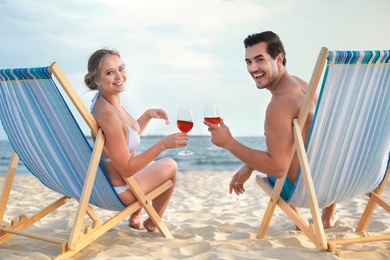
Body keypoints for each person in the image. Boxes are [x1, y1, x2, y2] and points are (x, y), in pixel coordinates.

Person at [203, 31, 338, 229]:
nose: (253, 68)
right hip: (336, 182)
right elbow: (301, 143)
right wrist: (249, 165)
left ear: (279, 59)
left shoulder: (280, 103)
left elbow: (278, 168)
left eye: (260, 60)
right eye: (248, 62)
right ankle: (329, 217)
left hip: (309, 190)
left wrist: (229, 143)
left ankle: (302, 223)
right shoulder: (304, 87)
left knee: (271, 176)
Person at [85, 48, 188, 233]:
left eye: (120, 68)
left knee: (154, 164)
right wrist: (162, 144)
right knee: (170, 165)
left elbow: (125, 137)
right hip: (122, 192)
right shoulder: (108, 115)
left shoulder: (107, 102)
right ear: (96, 80)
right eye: (110, 72)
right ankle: (152, 222)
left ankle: (137, 216)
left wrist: (147, 115)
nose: (119, 76)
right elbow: (126, 167)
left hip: (113, 185)